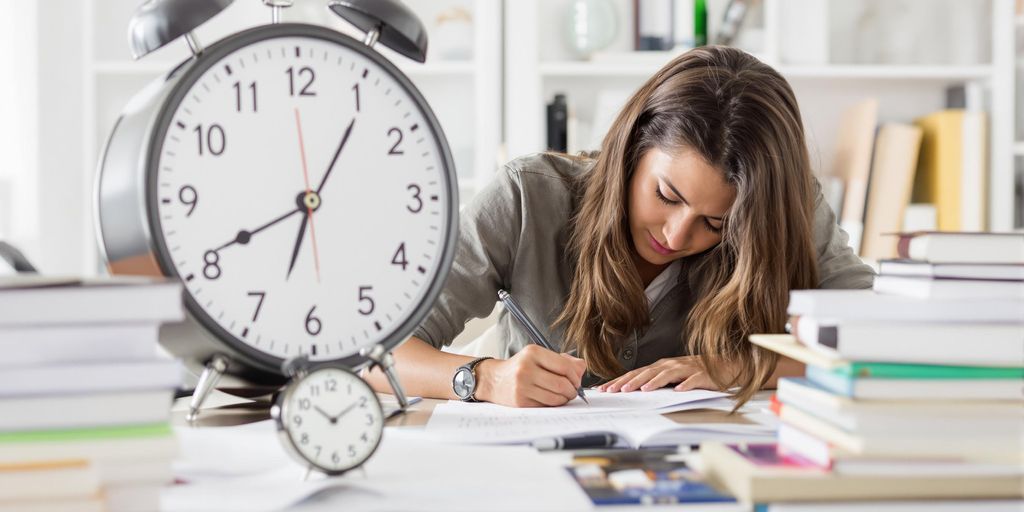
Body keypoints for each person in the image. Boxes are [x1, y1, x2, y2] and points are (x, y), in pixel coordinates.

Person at [365, 46, 875, 408]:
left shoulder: (782, 207)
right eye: (666, 196)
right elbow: (374, 354)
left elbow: (878, 340)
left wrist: (738, 367)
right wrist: (482, 378)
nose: (676, 237)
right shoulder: (528, 196)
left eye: (716, 223)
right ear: (631, 150)